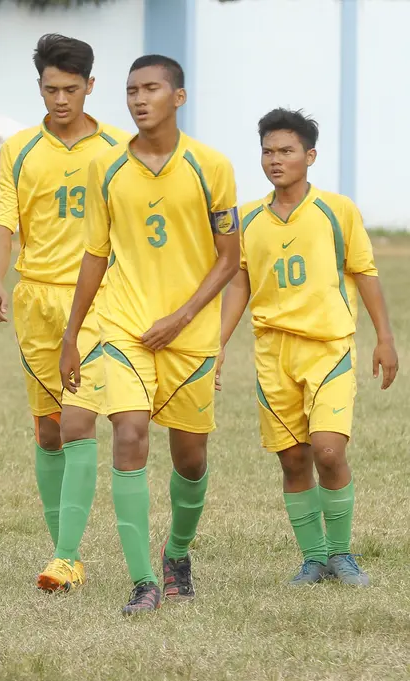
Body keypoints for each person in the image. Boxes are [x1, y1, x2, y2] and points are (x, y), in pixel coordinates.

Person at [60, 55, 240, 615]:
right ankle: (143, 582)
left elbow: (230, 259)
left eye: (152, 89)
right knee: (130, 434)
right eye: (132, 90)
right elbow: (95, 255)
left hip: (189, 336)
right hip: (125, 328)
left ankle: (177, 552)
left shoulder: (212, 166)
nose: (139, 99)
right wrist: (72, 336)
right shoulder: (107, 169)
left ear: (178, 97)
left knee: (189, 459)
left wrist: (183, 317)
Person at [219, 108, 398, 587]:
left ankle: (341, 553)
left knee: (328, 452)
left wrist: (385, 338)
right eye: (268, 151)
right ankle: (313, 558)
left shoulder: (337, 211)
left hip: (329, 348)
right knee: (293, 459)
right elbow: (238, 284)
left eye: (286, 151)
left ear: (310, 156)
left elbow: (364, 273)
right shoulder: (247, 219)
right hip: (273, 354)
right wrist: (216, 346)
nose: (275, 160)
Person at [0, 34, 129, 592]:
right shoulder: (18, 149)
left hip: (97, 299)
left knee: (77, 423)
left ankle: (65, 559)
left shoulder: (119, 148)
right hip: (35, 299)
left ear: (91, 86)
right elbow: (6, 224)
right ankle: (63, 550)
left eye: (71, 89)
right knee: (47, 430)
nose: (61, 99)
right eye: (51, 89)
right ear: (39, 86)